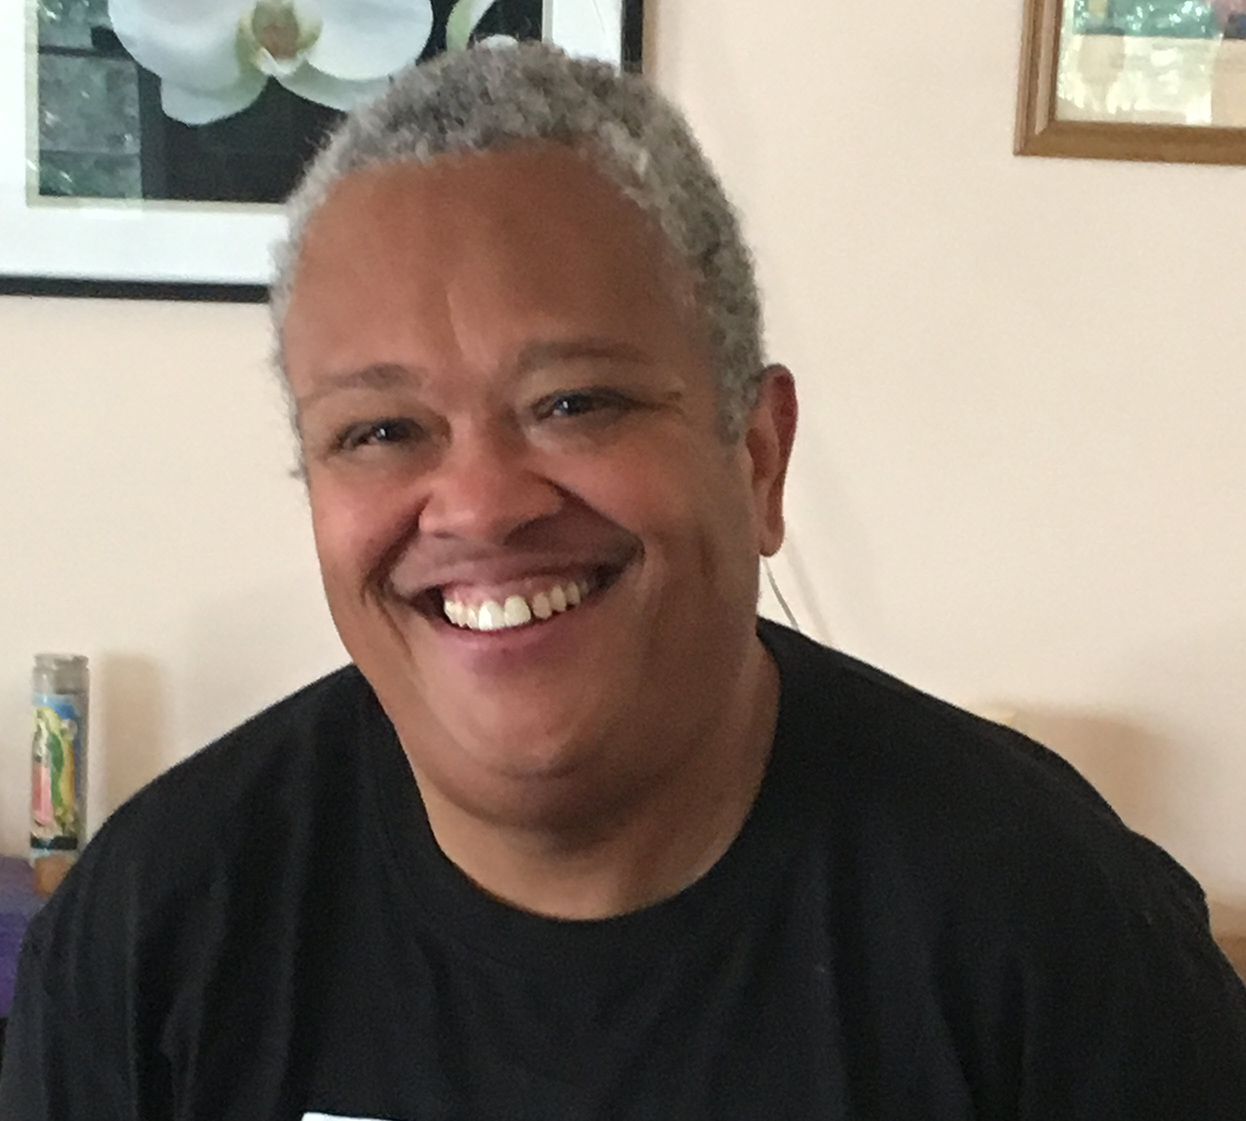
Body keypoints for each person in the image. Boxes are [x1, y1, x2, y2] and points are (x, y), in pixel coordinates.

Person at [3, 42, 1244, 1120]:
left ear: (756, 456)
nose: (480, 502)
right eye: (380, 430)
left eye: (574, 402)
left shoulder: (1053, 925)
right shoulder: (159, 926)